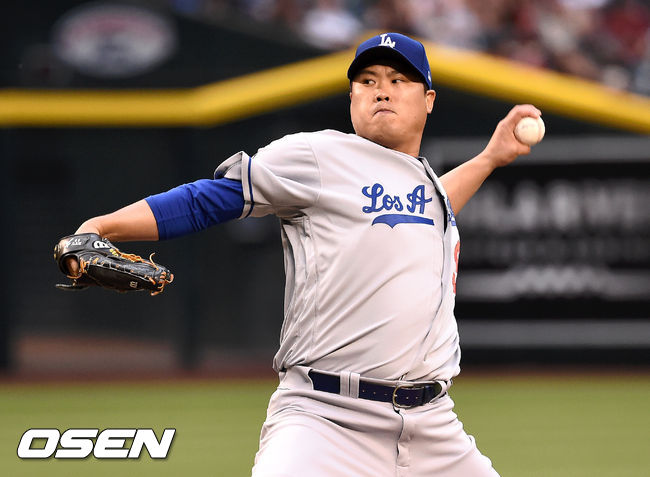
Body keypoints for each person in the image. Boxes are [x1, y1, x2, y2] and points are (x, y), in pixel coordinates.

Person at [65, 32, 541, 476]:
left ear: (428, 100)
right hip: (327, 417)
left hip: (434, 427)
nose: (382, 90)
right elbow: (207, 199)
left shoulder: (425, 186)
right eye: (368, 81)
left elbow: (433, 209)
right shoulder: (318, 157)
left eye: (399, 80)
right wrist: (100, 227)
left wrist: (489, 158)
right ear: (351, 98)